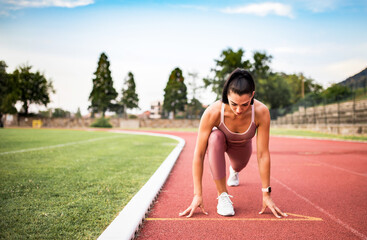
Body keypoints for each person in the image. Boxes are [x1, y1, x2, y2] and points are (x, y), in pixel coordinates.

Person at [179, 68, 287, 218]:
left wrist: (266, 194)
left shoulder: (261, 112)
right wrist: (197, 194)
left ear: (252, 96)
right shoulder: (213, 112)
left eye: (245, 104)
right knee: (215, 137)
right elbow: (199, 153)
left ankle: (234, 171)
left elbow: (262, 154)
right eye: (233, 103)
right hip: (220, 143)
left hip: (242, 149)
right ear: (226, 95)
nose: (238, 110)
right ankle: (222, 196)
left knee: (238, 165)